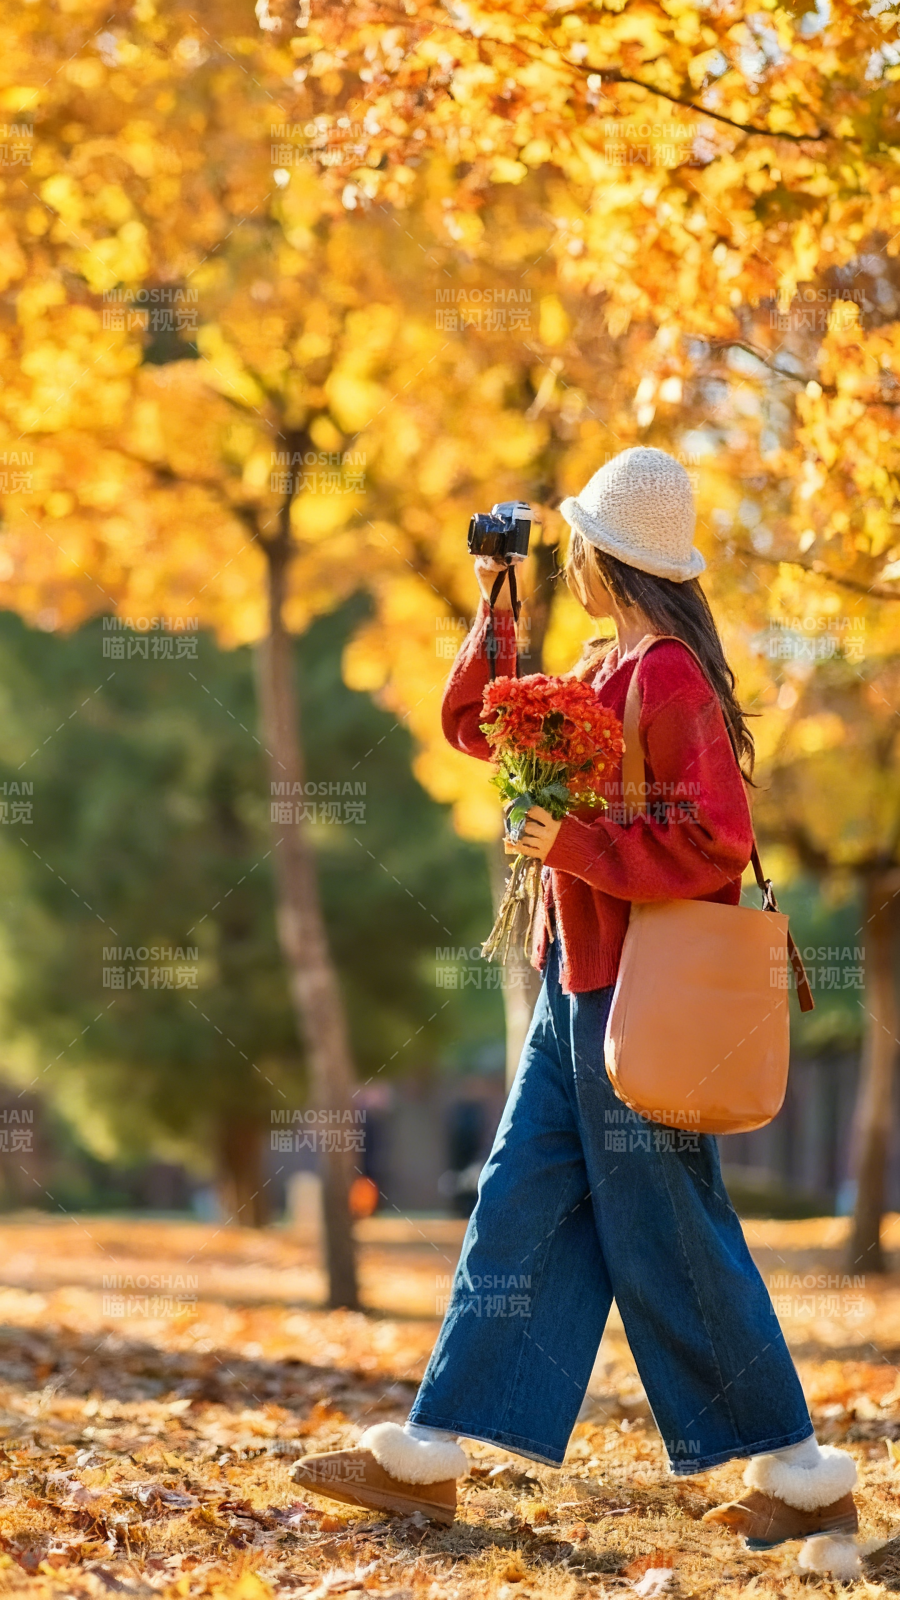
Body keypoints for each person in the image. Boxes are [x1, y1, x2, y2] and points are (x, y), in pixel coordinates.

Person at [293, 448, 858, 1559]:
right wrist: (494, 602)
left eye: (575, 542)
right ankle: (433, 1452)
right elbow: (478, 725)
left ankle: (798, 1472)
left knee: (668, 1232)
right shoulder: (604, 665)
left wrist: (578, 842)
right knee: (519, 1202)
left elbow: (718, 839)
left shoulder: (672, 679)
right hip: (576, 985)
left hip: (641, 999)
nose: (571, 558)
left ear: (612, 554)